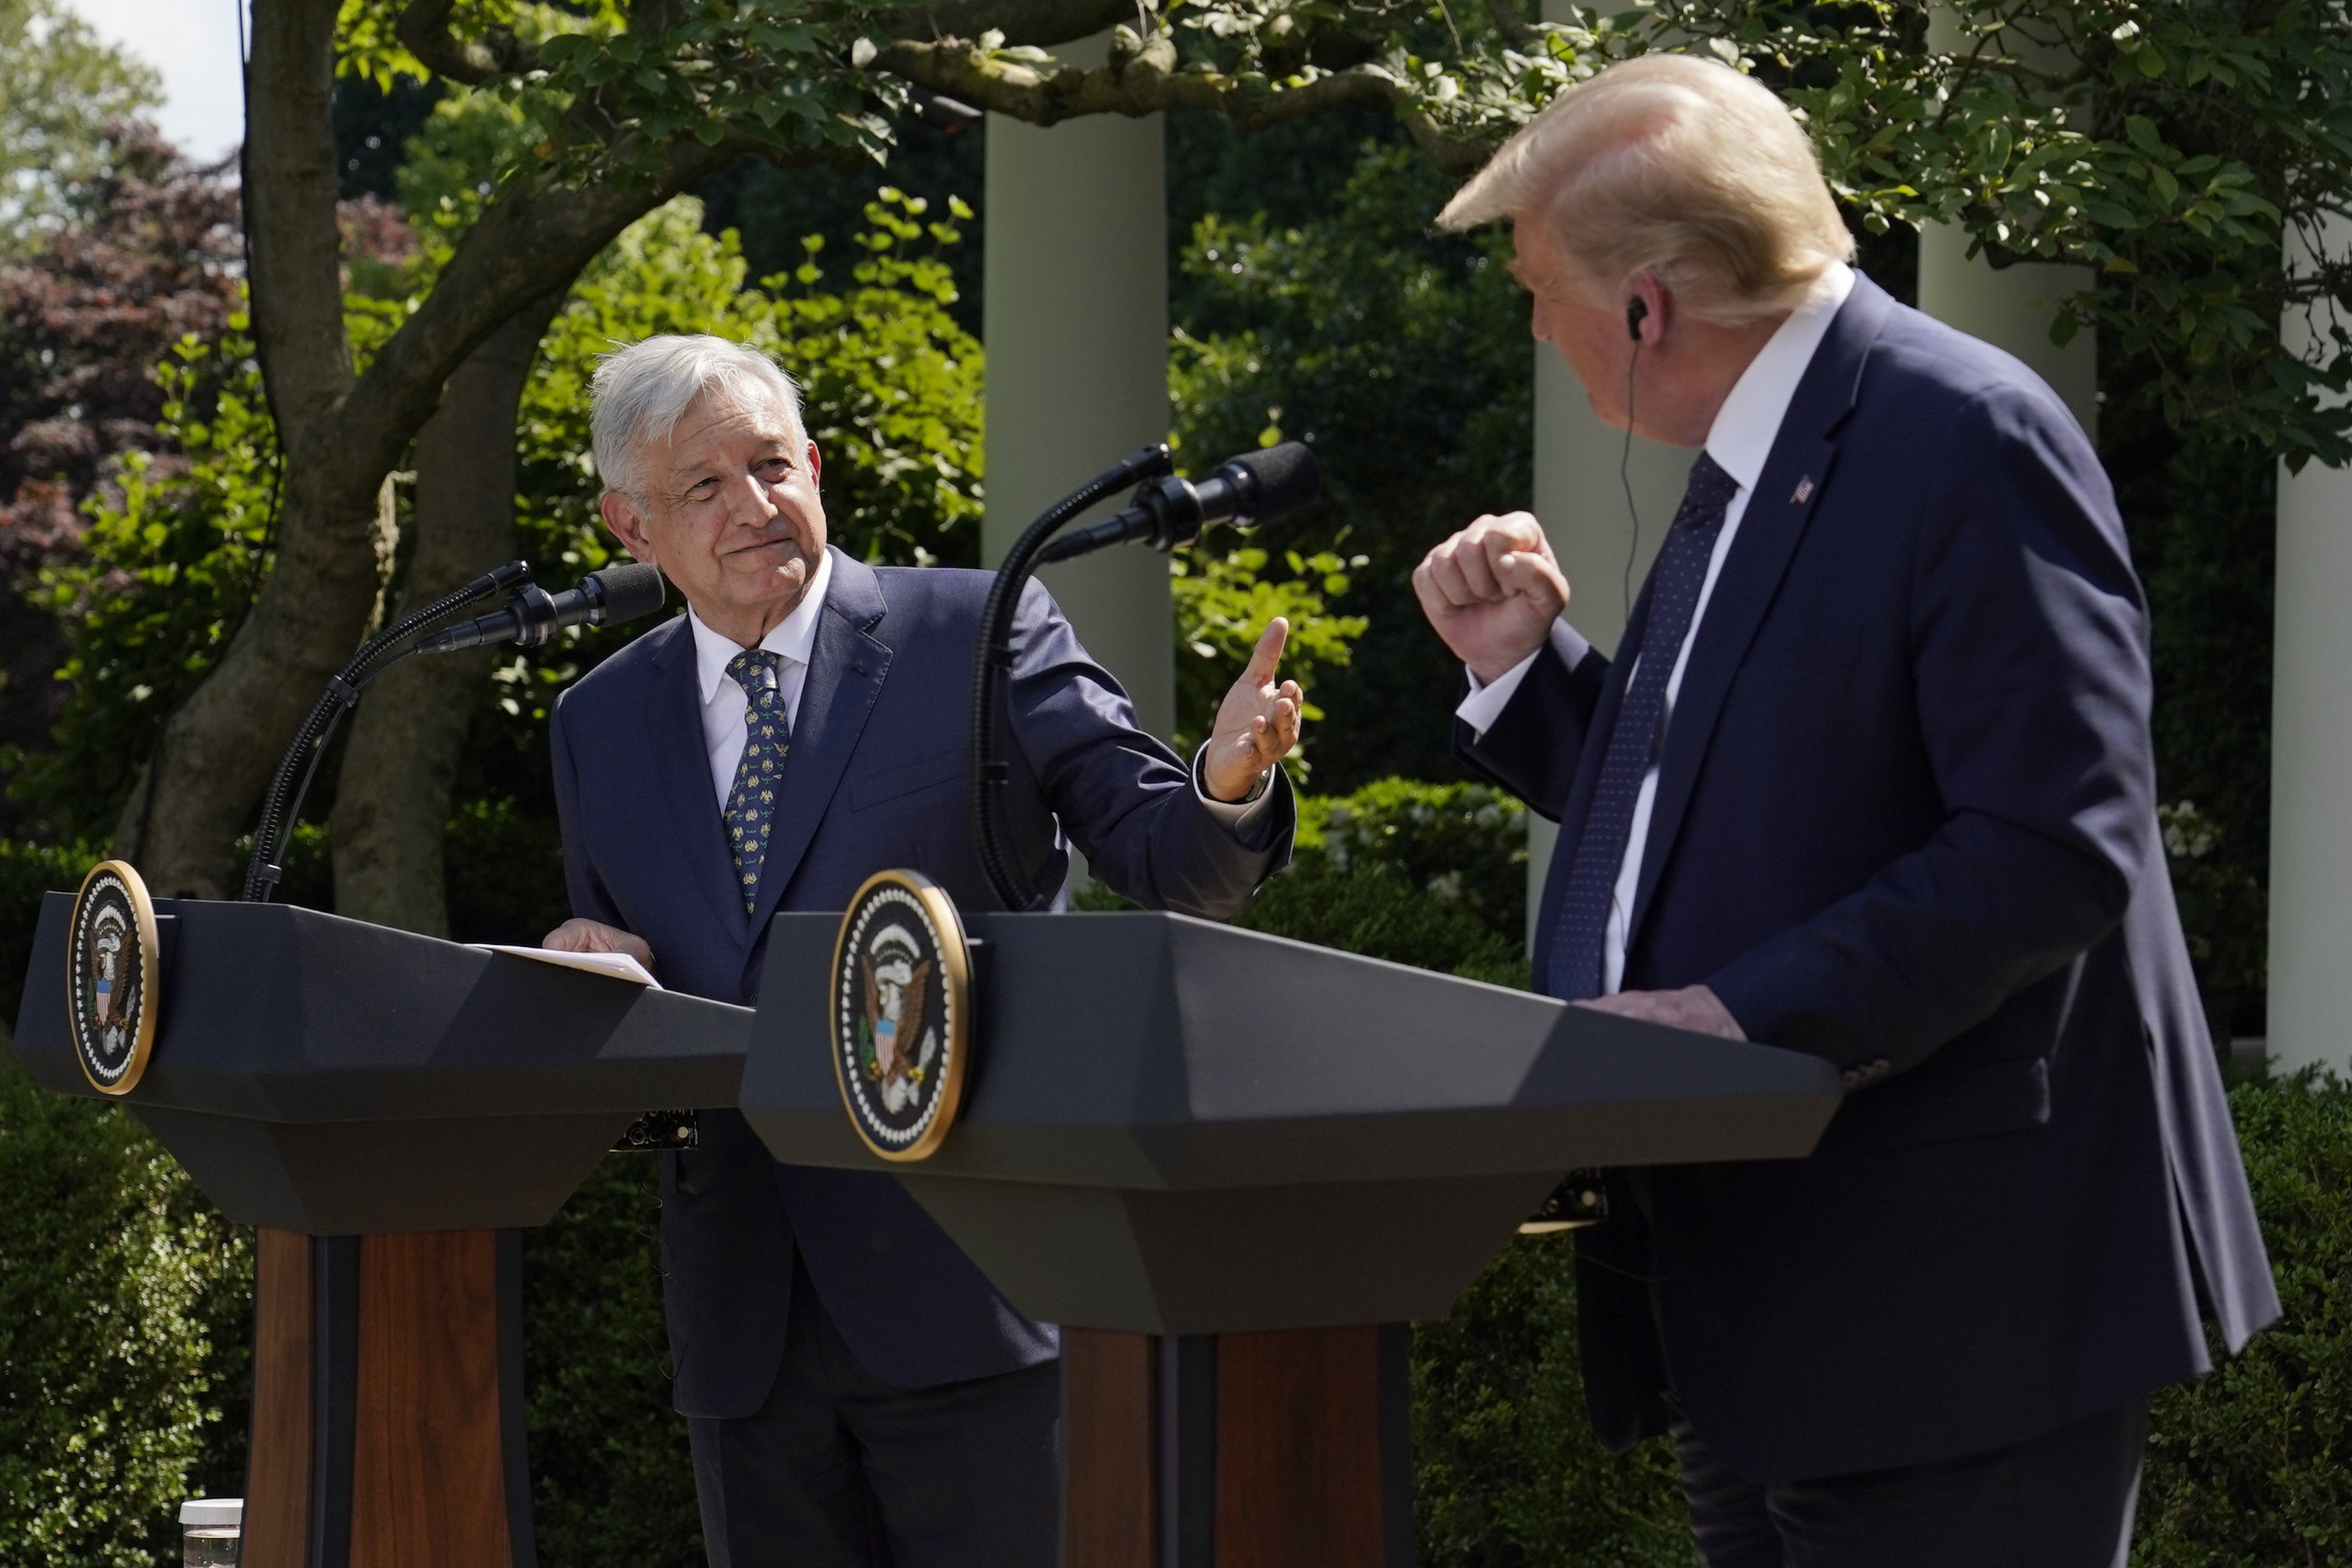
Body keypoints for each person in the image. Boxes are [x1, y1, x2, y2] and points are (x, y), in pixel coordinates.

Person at [1415, 54, 2278, 1567]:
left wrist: (1736, 1014)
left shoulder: (1960, 435)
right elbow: (1764, 796)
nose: (1533, 324)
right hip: (1773, 1298)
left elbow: (2050, 838)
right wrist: (1528, 679)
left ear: (1646, 307)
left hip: (1951, 1313)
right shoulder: (1757, 454)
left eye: (1536, 288)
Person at [543, 334, 1300, 1567]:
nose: (755, 505)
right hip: (745, 1321)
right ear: (631, 528)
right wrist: (579, 967)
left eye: (773, 464)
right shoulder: (598, 722)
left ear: (819, 467)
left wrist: (1223, 781)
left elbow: (1166, 855)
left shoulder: (972, 631)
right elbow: (639, 981)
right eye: (705, 486)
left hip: (977, 1289)